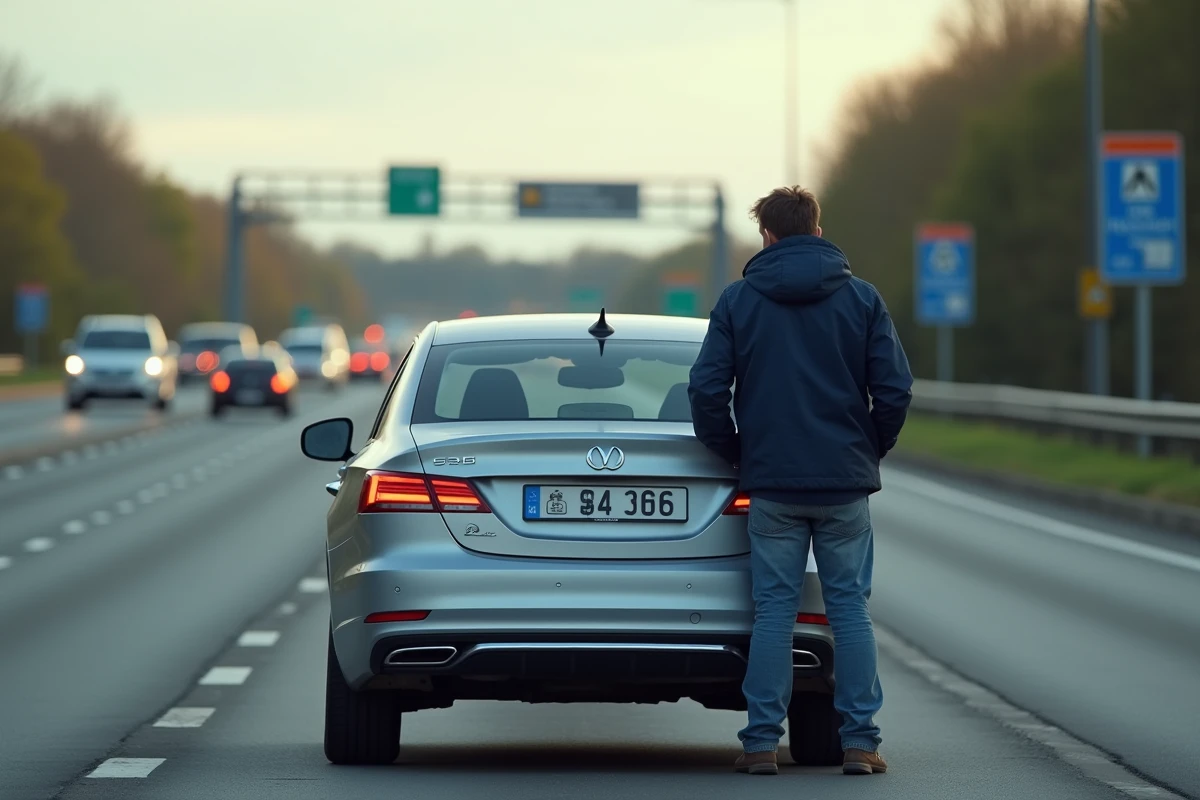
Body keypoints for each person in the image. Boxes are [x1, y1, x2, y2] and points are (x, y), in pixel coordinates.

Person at [688, 186, 912, 776]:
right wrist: (869, 450)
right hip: (843, 487)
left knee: (774, 614)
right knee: (849, 611)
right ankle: (860, 743)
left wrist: (738, 453)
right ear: (817, 231)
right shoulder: (863, 299)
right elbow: (894, 390)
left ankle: (761, 743)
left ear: (766, 236)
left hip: (774, 487)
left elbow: (706, 390)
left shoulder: (739, 301)